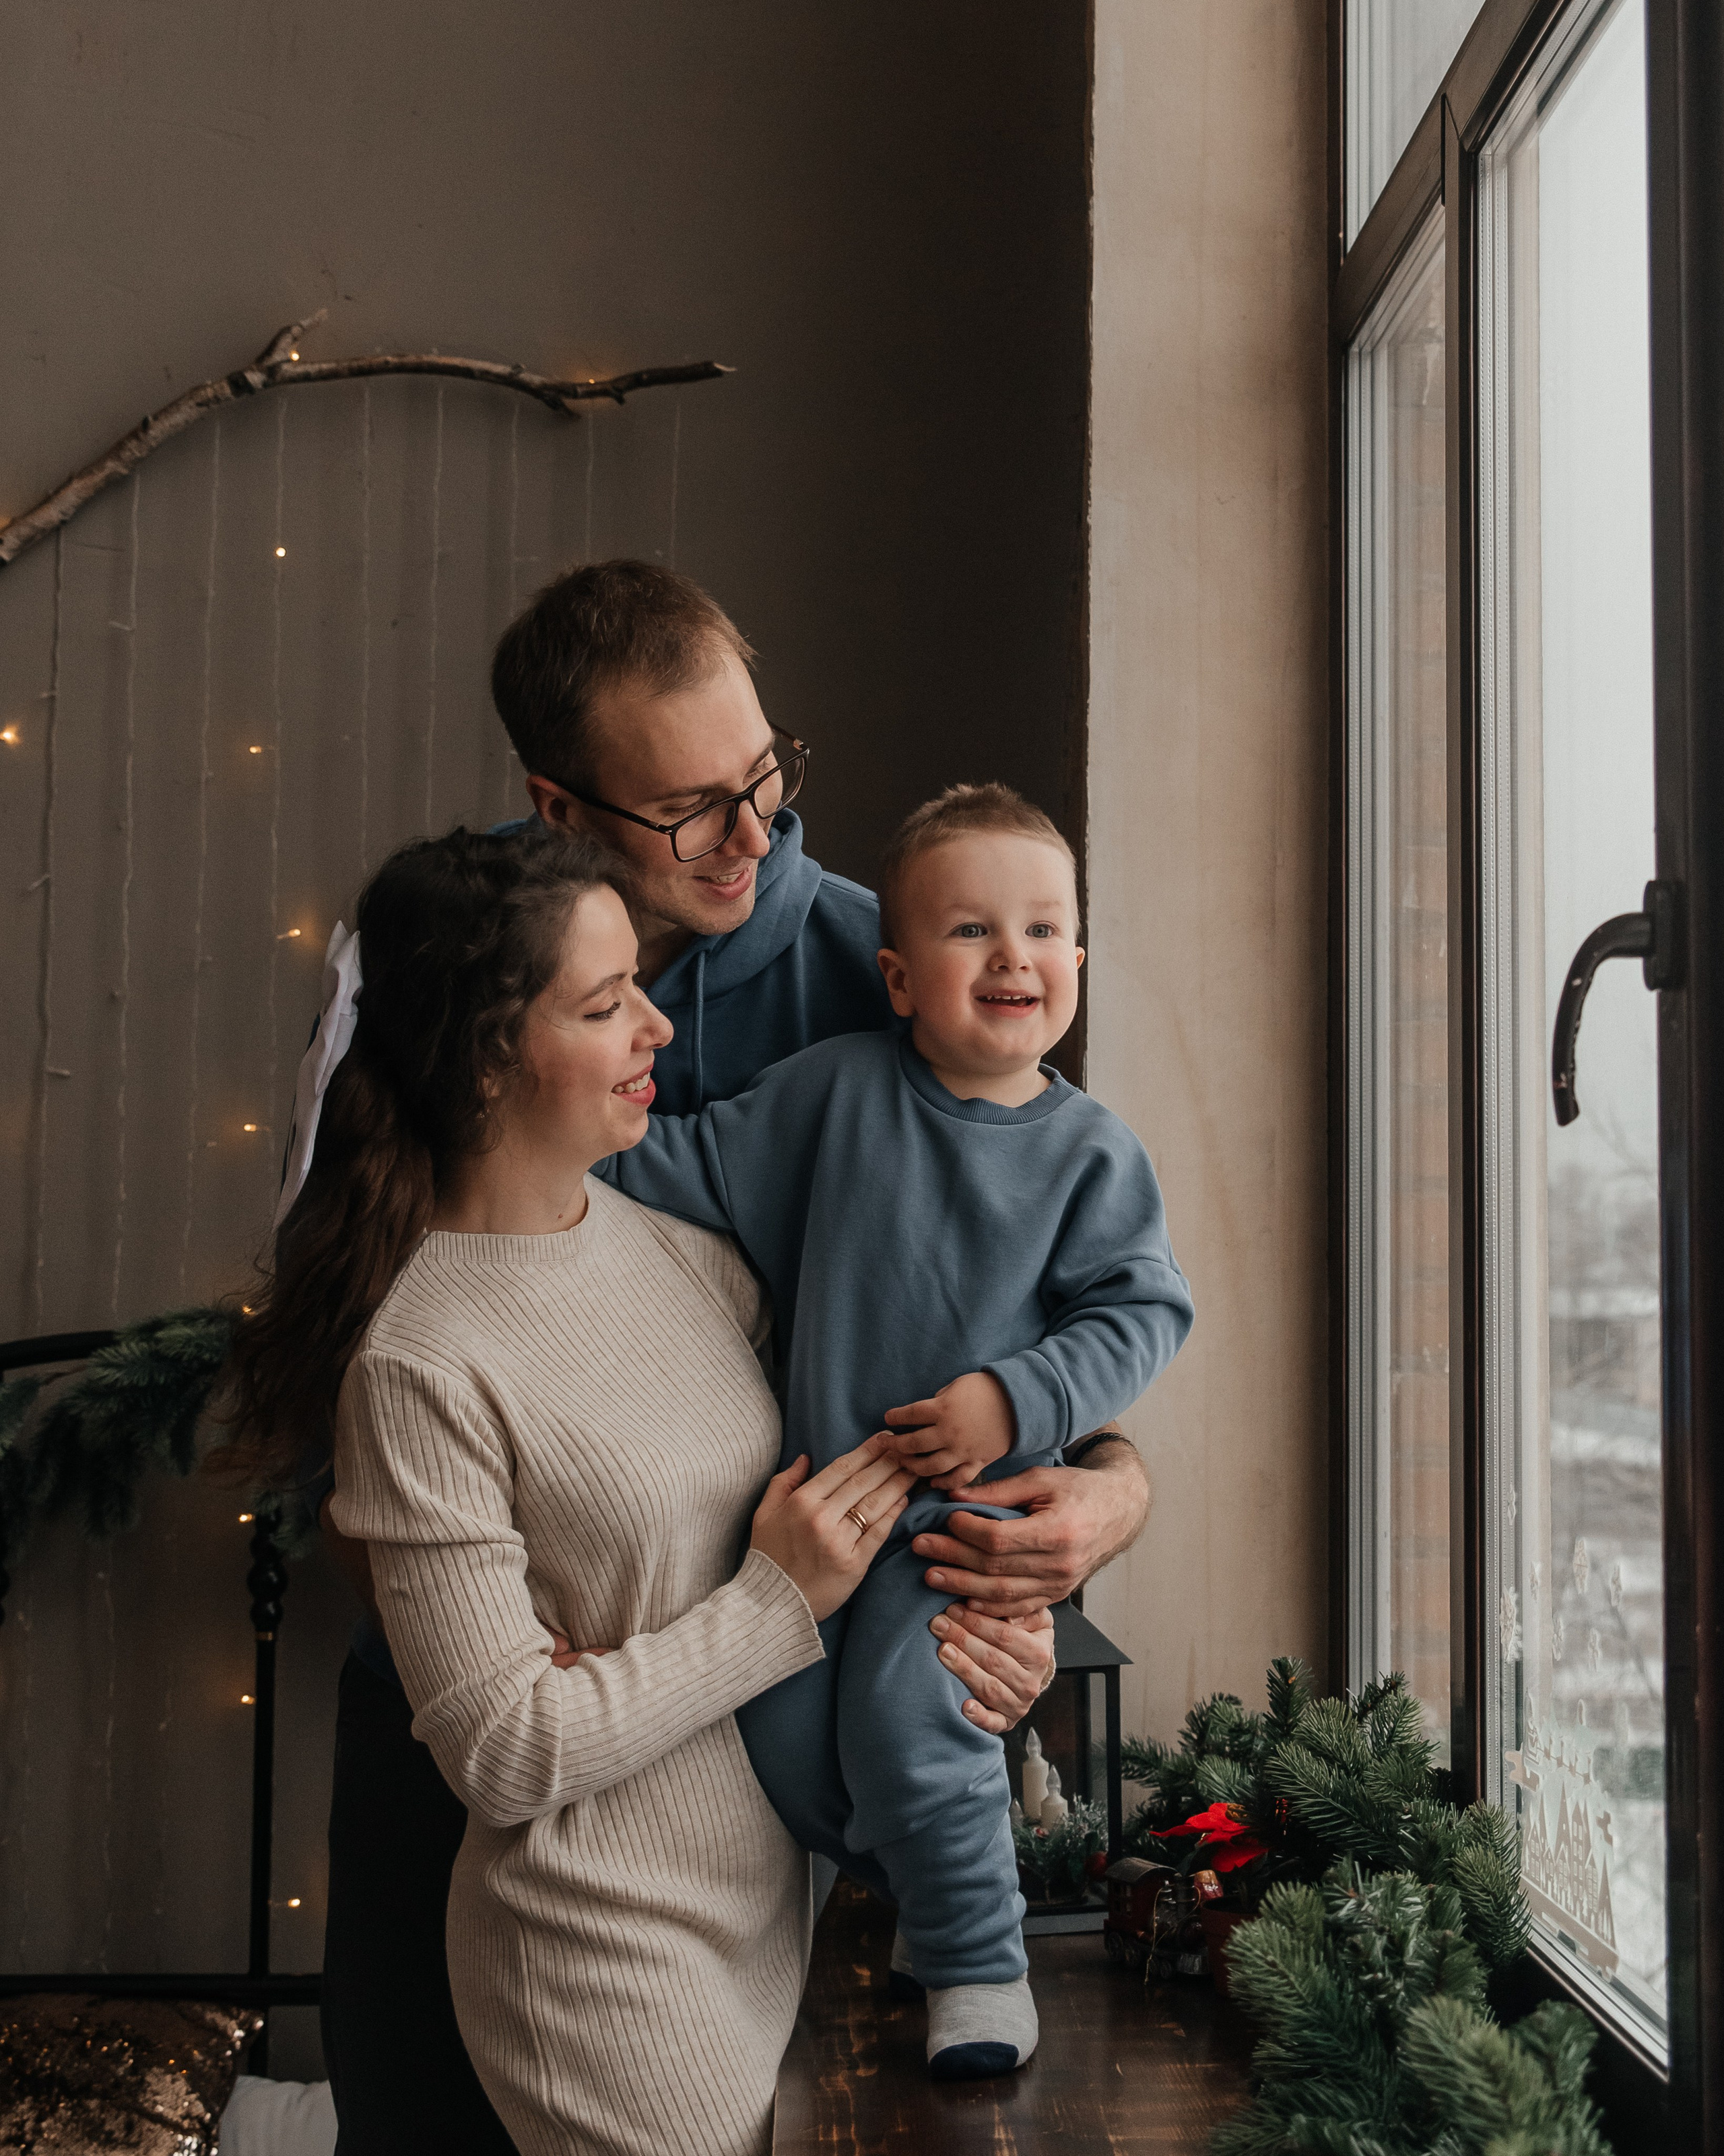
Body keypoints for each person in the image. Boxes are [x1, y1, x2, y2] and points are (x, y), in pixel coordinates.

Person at [316, 560, 1152, 2145]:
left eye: (766, 776)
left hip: (787, 1735)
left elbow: (1060, 1300)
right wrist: (512, 1670)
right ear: (558, 806)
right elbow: (366, 1358)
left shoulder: (895, 967)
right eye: (694, 809)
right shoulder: (436, 965)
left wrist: (1089, 1506)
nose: (755, 838)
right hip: (476, 1730)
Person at [232, 826, 1055, 2156]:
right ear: (491, 1055)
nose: (657, 1027)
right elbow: (504, 1750)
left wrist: (997, 1621)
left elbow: (890, 1473)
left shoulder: (687, 1254)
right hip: (609, 1976)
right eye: (606, 1003)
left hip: (777, 1924)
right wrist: (767, 1603)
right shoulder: (420, 1362)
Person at [603, 783, 1193, 2076]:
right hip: (823, 1514)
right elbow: (687, 1161)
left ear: (1079, 960)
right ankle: (936, 1896)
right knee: (782, 1745)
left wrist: (1018, 1399)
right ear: (899, 974)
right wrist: (554, 1131)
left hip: (957, 1533)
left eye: (1045, 931)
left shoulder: (1093, 1155)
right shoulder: (835, 1094)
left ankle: (981, 1965)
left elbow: (1145, 1312)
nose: (1014, 958)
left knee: (910, 1720)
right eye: (972, 931)